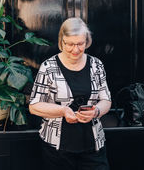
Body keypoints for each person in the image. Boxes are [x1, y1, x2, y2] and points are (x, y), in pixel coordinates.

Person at [29, 17, 111, 170]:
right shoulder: (48, 67)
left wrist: (96, 112)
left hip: (93, 145)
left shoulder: (96, 65)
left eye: (80, 44)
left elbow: (106, 100)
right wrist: (63, 111)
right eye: (70, 44)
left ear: (87, 41)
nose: (76, 49)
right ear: (62, 42)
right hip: (56, 148)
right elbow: (34, 106)